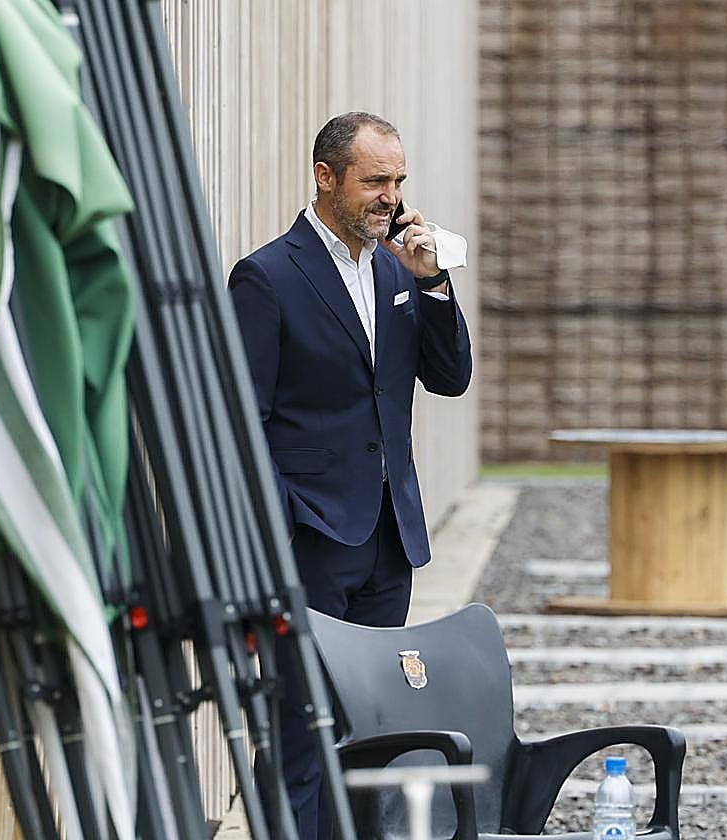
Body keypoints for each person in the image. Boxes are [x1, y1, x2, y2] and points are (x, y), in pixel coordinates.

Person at [228, 111, 473, 840]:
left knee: (375, 729)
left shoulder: (402, 269)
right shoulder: (267, 277)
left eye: (398, 181)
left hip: (388, 541)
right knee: (303, 728)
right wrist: (278, 534)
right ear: (325, 176)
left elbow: (451, 378)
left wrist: (433, 285)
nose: (390, 198)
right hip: (309, 539)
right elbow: (243, 423)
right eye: (375, 181)